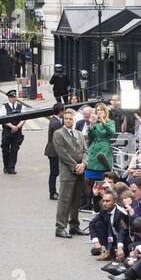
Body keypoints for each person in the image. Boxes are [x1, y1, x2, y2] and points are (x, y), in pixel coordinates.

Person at [53, 108, 86, 238]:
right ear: (63, 120)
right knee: (64, 201)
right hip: (68, 172)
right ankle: (60, 227)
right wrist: (75, 166)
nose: (68, 121)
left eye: (70, 119)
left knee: (76, 201)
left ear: (74, 120)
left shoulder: (79, 133)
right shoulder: (58, 134)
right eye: (66, 119)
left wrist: (83, 164)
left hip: (80, 171)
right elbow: (63, 154)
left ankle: (74, 226)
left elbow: (85, 151)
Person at [0, 89, 25, 175]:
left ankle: (11, 168)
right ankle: (6, 167)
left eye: (15, 97)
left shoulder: (21, 107)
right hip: (7, 131)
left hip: (17, 132)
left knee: (14, 150)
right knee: (5, 150)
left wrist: (17, 127)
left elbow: (24, 119)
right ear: (8, 98)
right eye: (11, 97)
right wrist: (12, 126)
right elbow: (2, 119)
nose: (13, 98)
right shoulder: (4, 107)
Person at [44, 102, 64, 200]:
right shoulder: (56, 123)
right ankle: (52, 193)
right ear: (60, 111)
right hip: (54, 151)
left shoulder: (55, 120)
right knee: (54, 172)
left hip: (52, 150)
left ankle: (54, 192)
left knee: (55, 172)